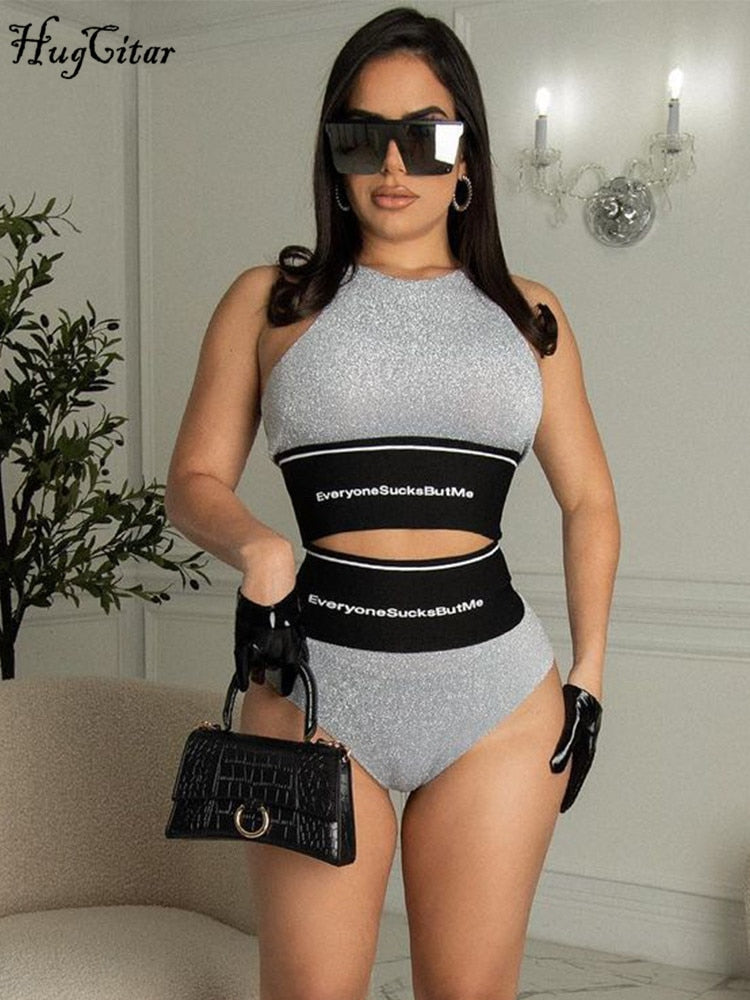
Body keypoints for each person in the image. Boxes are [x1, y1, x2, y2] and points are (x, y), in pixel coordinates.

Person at [164, 6, 620, 999]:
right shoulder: (270, 302)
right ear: (334, 157)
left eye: (426, 134)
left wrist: (589, 675)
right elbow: (191, 482)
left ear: (469, 159)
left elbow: (589, 499)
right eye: (362, 136)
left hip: (499, 701)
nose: (395, 163)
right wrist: (262, 549)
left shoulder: (530, 316)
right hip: (315, 697)